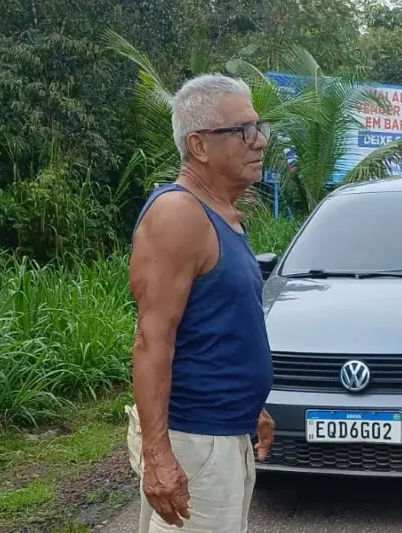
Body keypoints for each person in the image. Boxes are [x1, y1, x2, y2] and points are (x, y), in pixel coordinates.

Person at [125, 73, 275, 532]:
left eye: (260, 128)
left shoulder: (224, 213)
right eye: (243, 131)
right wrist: (159, 458)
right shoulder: (179, 215)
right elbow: (153, 341)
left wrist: (253, 405)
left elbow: (220, 326)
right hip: (195, 441)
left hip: (224, 432)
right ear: (199, 145)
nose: (260, 143)